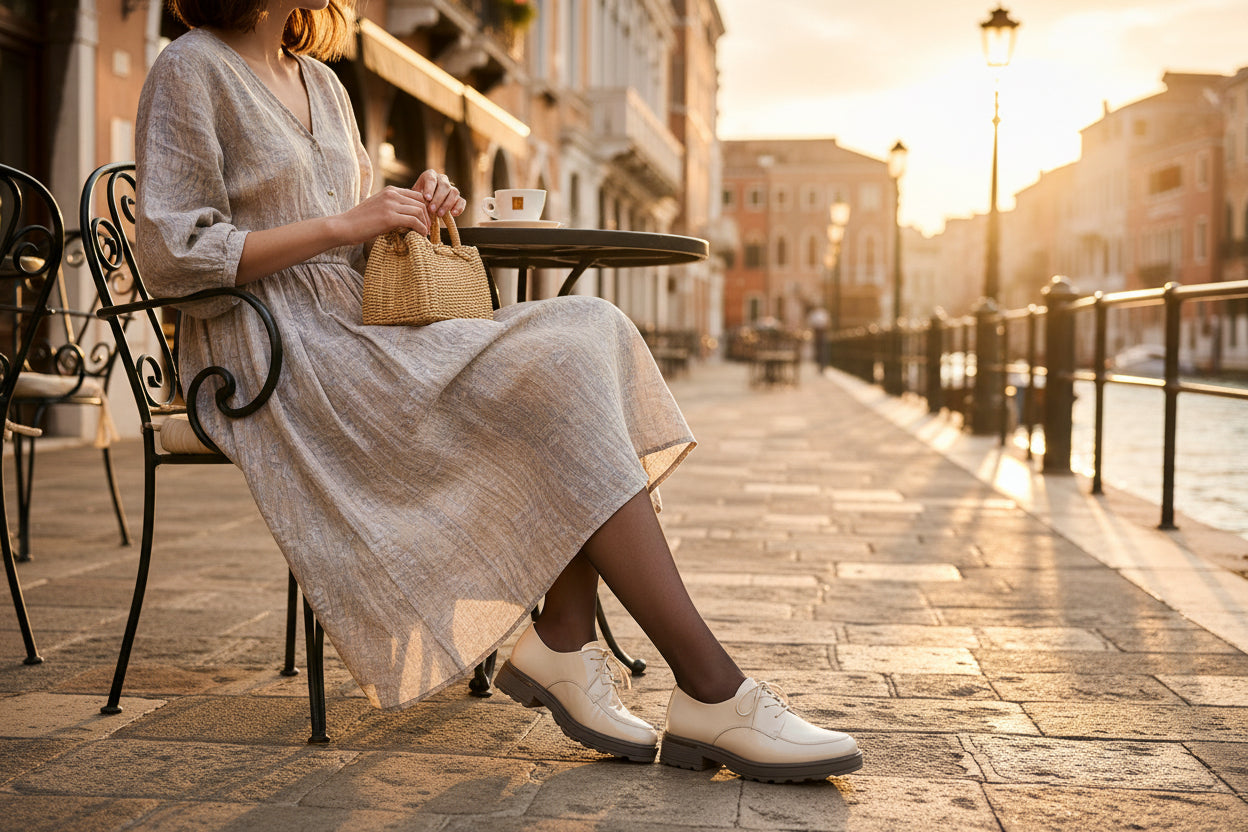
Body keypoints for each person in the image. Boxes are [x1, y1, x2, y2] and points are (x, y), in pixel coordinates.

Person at [135, 0, 861, 783]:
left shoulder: (320, 79)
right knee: (555, 369)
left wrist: (410, 210)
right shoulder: (191, 66)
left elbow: (351, 241)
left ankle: (569, 641)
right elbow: (174, 254)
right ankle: (702, 688)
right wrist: (349, 224)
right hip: (277, 354)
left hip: (360, 329)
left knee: (587, 329)